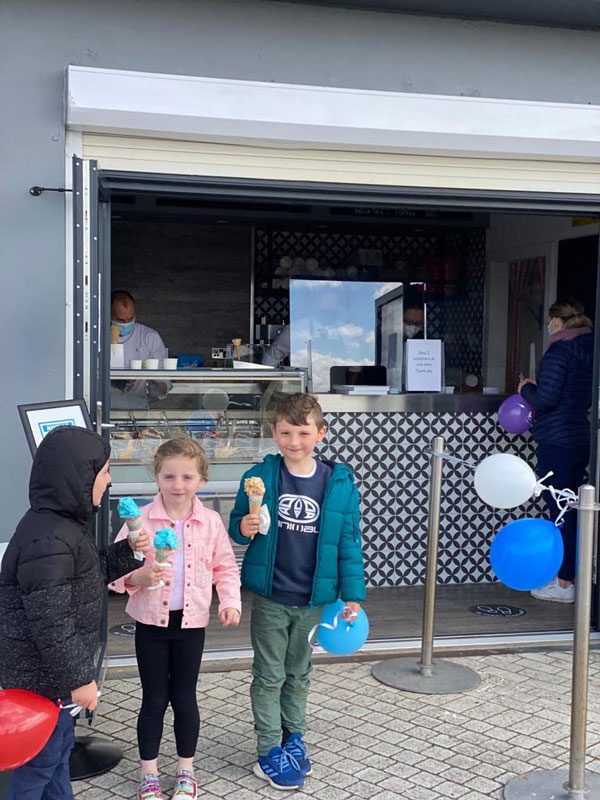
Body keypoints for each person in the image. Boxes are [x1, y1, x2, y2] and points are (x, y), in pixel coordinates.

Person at [0, 426, 151, 800]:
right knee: (37, 767)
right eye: (105, 473)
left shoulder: (61, 528)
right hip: (43, 682)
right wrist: (80, 679)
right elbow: (50, 621)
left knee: (56, 757)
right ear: (80, 478)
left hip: (53, 684)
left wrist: (129, 551)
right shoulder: (48, 538)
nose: (110, 480)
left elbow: (88, 573)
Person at [229, 393, 366, 790]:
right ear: (274, 432)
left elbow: (349, 541)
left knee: (299, 673)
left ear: (320, 433)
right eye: (286, 432)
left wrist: (352, 594)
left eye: (303, 433)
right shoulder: (260, 476)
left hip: (313, 600)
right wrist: (244, 528)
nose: (294, 441)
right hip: (272, 596)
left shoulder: (337, 481)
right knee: (269, 675)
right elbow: (238, 521)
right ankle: (268, 749)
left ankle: (294, 738)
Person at [110, 437, 241, 800]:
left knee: (185, 698)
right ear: (156, 477)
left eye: (187, 477)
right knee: (153, 699)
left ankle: (186, 769)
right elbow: (115, 571)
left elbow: (225, 567)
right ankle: (149, 772)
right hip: (150, 624)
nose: (178, 485)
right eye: (169, 477)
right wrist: (136, 577)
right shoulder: (139, 521)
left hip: (191, 625)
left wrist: (229, 600)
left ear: (202, 479)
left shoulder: (211, 522)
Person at [518, 300, 594, 603]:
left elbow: (545, 400)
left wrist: (525, 387)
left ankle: (564, 584)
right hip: (580, 437)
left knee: (560, 511)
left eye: (550, 320)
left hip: (557, 440)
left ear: (557, 322)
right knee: (574, 510)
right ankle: (573, 576)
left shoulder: (559, 351)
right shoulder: (590, 349)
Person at [111, 290, 169, 408]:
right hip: (106, 406)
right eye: (121, 320)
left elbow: (165, 377)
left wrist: (158, 387)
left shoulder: (149, 337)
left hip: (138, 406)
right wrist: (111, 382)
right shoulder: (97, 337)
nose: (126, 324)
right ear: (109, 315)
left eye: (130, 319)